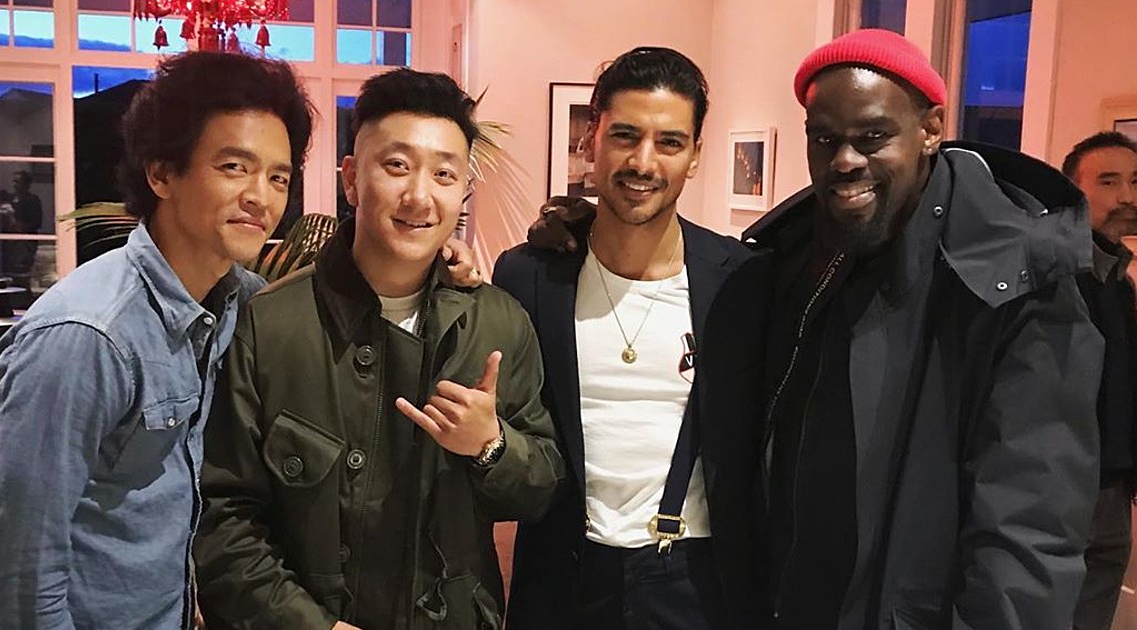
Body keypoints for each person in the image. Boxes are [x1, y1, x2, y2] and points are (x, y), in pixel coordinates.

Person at [696, 29, 1103, 629]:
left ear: (931, 130)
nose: (845, 160)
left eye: (872, 137)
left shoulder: (1015, 281)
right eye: (825, 138)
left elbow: (1030, 532)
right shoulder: (796, 255)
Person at [192, 67, 564, 630]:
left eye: (444, 174)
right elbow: (222, 520)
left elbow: (541, 491)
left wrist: (491, 445)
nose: (419, 195)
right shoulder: (270, 326)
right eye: (397, 166)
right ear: (350, 179)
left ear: (462, 191)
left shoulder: (498, 324)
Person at [0, 50, 316, 629]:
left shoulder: (241, 303)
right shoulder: (87, 336)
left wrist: (441, 270)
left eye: (278, 177)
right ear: (162, 174)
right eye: (234, 167)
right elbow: (20, 580)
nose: (262, 195)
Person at [494, 47, 752, 630]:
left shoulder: (739, 281)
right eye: (626, 135)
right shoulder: (528, 276)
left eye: (669, 142)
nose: (643, 162)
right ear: (592, 139)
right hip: (560, 575)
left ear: (695, 155)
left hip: (693, 581)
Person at [1063, 131, 1137, 630]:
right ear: (1075, 192)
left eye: (1135, 181)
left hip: (1112, 489)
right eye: (1108, 182)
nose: (1127, 196)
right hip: (1062, 490)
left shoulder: (1120, 283)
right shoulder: (1056, 280)